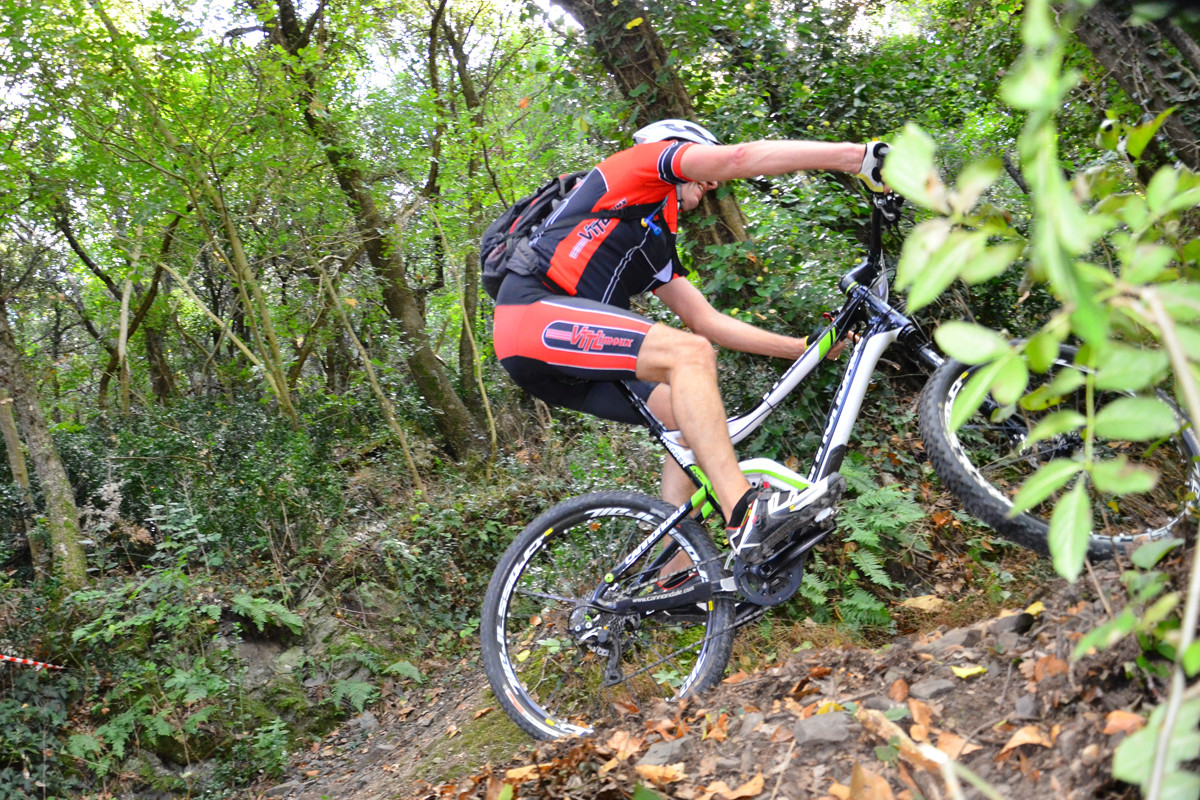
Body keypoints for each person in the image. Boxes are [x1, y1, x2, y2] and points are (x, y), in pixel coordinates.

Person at [492, 119, 889, 564]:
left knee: (689, 418)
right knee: (689, 355)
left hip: (564, 366)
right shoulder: (638, 166)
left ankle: (673, 573)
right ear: (677, 149)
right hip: (530, 314)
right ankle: (745, 515)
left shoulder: (656, 241)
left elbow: (710, 322)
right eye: (704, 165)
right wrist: (855, 157)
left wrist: (803, 348)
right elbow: (739, 159)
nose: (713, 180)